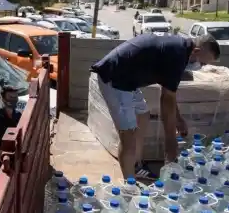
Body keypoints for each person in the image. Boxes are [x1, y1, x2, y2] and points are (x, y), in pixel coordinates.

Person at [90, 34, 220, 179]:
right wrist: (170, 143)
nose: (200, 67)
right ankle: (129, 186)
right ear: (196, 51)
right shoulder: (177, 54)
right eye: (202, 63)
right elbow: (166, 100)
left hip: (128, 80)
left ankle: (135, 165)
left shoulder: (180, 48)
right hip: (115, 79)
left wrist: (177, 118)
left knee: (143, 116)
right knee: (128, 135)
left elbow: (169, 93)